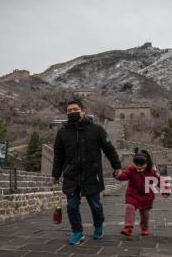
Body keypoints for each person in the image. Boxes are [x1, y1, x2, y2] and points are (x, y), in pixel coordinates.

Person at [52, 99, 123, 245]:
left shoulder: (97, 130)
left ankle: (98, 226)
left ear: (83, 111)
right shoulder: (62, 133)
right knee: (71, 206)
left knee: (95, 205)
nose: (72, 112)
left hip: (92, 173)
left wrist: (117, 166)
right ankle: (77, 233)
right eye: (69, 110)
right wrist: (56, 174)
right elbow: (58, 155)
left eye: (75, 109)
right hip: (71, 175)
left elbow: (109, 149)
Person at [114, 148, 170, 236]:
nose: (139, 167)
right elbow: (125, 175)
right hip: (133, 194)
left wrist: (165, 191)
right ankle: (128, 227)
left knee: (145, 214)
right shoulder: (131, 169)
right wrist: (118, 175)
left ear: (147, 163)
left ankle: (144, 228)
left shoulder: (152, 171)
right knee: (130, 207)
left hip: (146, 196)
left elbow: (160, 181)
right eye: (137, 165)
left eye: (141, 165)